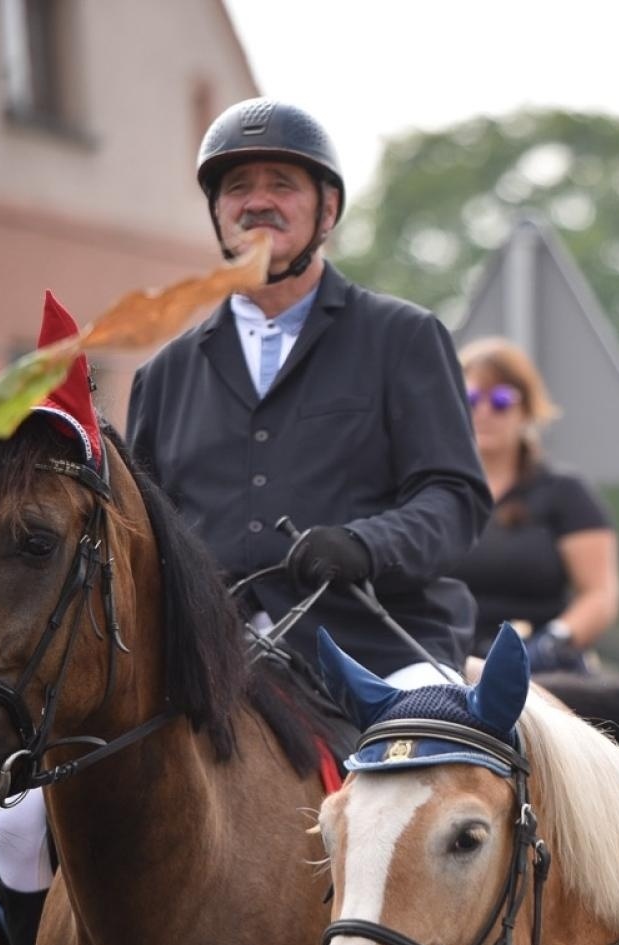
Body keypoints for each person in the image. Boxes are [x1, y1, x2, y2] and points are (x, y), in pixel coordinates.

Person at [127, 98, 490, 688]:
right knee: (36, 783)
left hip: (378, 647)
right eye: (237, 187)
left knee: (426, 755)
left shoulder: (404, 337)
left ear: (329, 209)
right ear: (217, 212)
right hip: (204, 665)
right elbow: (140, 535)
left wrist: (364, 544)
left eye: (282, 184)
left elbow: (453, 499)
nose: (257, 201)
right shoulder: (163, 374)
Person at [446, 337, 619, 673]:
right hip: (444, 664)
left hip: (541, 670)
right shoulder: (433, 492)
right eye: (470, 398)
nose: (483, 411)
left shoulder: (565, 492)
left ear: (526, 408)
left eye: (500, 400)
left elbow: (600, 594)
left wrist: (553, 641)